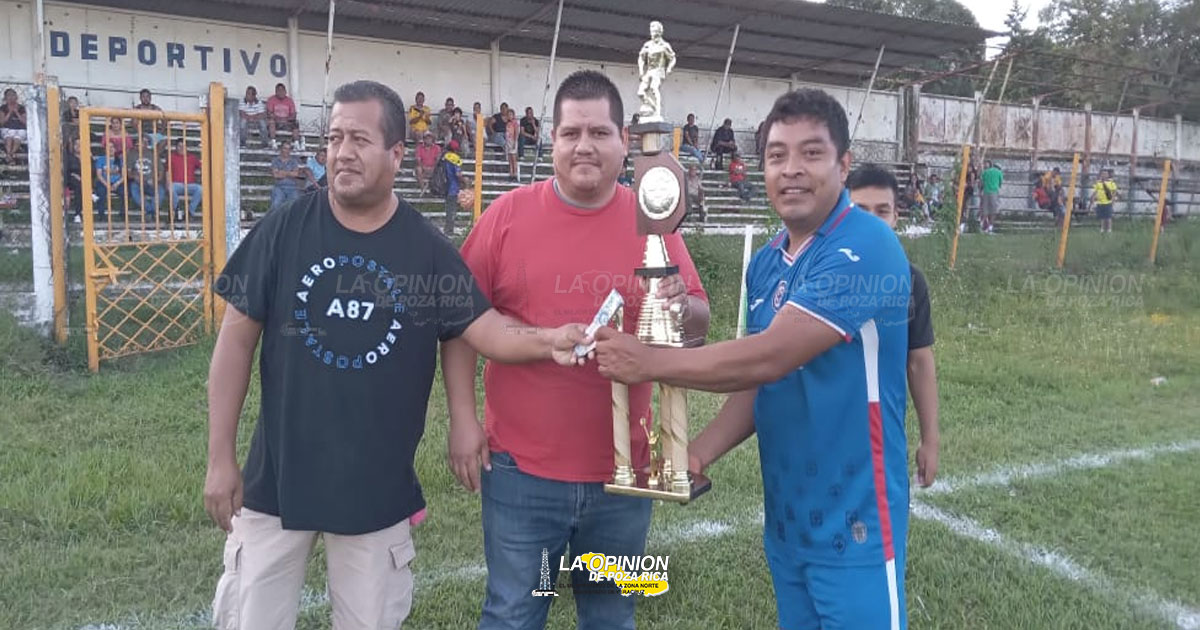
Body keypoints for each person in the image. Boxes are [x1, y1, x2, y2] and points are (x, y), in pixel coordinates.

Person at [205, 79, 591, 630]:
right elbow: (235, 342)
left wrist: (549, 339)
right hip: (276, 483)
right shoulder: (283, 230)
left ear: (395, 153)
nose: (342, 152)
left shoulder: (425, 250)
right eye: (335, 137)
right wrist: (221, 457)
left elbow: (482, 330)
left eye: (359, 139)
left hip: (376, 494)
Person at [593, 89, 911, 630]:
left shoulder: (867, 245)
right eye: (777, 155)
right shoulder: (765, 265)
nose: (792, 170)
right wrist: (696, 454)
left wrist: (647, 361)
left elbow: (768, 357)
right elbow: (762, 386)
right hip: (788, 520)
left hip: (857, 519)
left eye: (811, 153)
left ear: (844, 164)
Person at [442, 69, 710, 630]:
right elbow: (461, 324)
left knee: (611, 614)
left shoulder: (654, 221)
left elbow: (698, 322)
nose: (584, 145)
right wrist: (462, 422)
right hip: (521, 473)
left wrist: (681, 305)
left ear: (622, 142)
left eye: (599, 132)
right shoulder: (507, 217)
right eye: (570, 133)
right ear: (553, 140)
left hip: (625, 475)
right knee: (516, 612)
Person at [846, 164, 940, 489]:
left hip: (882, 442)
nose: (872, 221)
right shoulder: (818, 276)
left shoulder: (910, 281)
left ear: (895, 218)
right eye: (860, 210)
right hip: (820, 439)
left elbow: (919, 361)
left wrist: (931, 438)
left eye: (882, 211)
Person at [168, 138, 203, 220]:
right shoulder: (171, 157)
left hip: (190, 185)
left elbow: (202, 167)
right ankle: (177, 210)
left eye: (183, 146)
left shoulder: (192, 157)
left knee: (200, 189)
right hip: (176, 184)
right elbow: (167, 171)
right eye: (179, 146)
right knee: (171, 188)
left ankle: (190, 212)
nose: (181, 148)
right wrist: (167, 183)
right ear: (176, 147)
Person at [440, 139, 469, 234]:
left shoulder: (443, 157)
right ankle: (449, 230)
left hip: (445, 186)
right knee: (452, 210)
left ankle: (447, 228)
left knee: (448, 209)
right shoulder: (455, 158)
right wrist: (465, 181)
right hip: (453, 187)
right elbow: (458, 174)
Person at [269, 140, 305, 210]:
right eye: (285, 148)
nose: (287, 151)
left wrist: (282, 172)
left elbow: (295, 174)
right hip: (279, 187)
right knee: (276, 203)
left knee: (295, 205)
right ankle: (275, 220)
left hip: (292, 187)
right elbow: (276, 175)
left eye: (289, 149)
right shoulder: (275, 161)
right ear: (281, 149)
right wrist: (289, 173)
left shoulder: (293, 161)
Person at [266, 83, 301, 149]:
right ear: (276, 91)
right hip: (276, 122)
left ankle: (296, 143)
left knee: (296, 122)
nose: (280, 92)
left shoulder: (289, 100)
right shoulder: (271, 99)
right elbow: (269, 113)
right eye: (278, 90)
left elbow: (293, 114)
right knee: (271, 122)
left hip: (287, 122)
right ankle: (273, 142)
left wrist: (285, 119)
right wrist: (279, 119)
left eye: (282, 90)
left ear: (285, 91)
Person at [1, 88, 28, 164]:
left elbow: (25, 122)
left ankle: (10, 155)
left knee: (17, 138)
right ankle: (10, 156)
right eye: (9, 95)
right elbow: (2, 123)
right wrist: (9, 112)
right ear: (5, 98)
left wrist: (16, 112)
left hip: (20, 130)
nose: (11, 97)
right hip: (7, 129)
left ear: (16, 97)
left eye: (13, 95)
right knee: (8, 138)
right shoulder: (3, 108)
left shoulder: (21, 108)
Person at [1089, 168, 1119, 233]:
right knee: (1102, 217)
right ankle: (1102, 229)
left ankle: (1109, 229)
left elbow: (1114, 192)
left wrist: (1113, 201)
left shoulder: (1111, 183)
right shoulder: (1098, 183)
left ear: (1108, 175)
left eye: (1105, 174)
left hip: (1108, 202)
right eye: (1102, 174)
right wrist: (1093, 199)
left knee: (1108, 216)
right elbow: (1095, 191)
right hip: (1100, 202)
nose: (1104, 175)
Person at [415, 131, 441, 196]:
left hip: (434, 168)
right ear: (424, 139)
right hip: (423, 168)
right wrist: (423, 167)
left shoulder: (437, 148)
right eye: (426, 138)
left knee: (439, 169)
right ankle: (423, 189)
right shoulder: (419, 148)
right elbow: (418, 159)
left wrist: (433, 168)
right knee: (418, 169)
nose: (428, 140)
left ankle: (435, 190)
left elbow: (438, 160)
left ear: (432, 139)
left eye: (430, 138)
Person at [980, 160, 1003, 234]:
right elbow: (1000, 183)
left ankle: (982, 227)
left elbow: (981, 182)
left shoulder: (985, 172)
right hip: (994, 192)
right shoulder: (999, 173)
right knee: (993, 210)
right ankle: (990, 227)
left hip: (986, 191)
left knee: (985, 210)